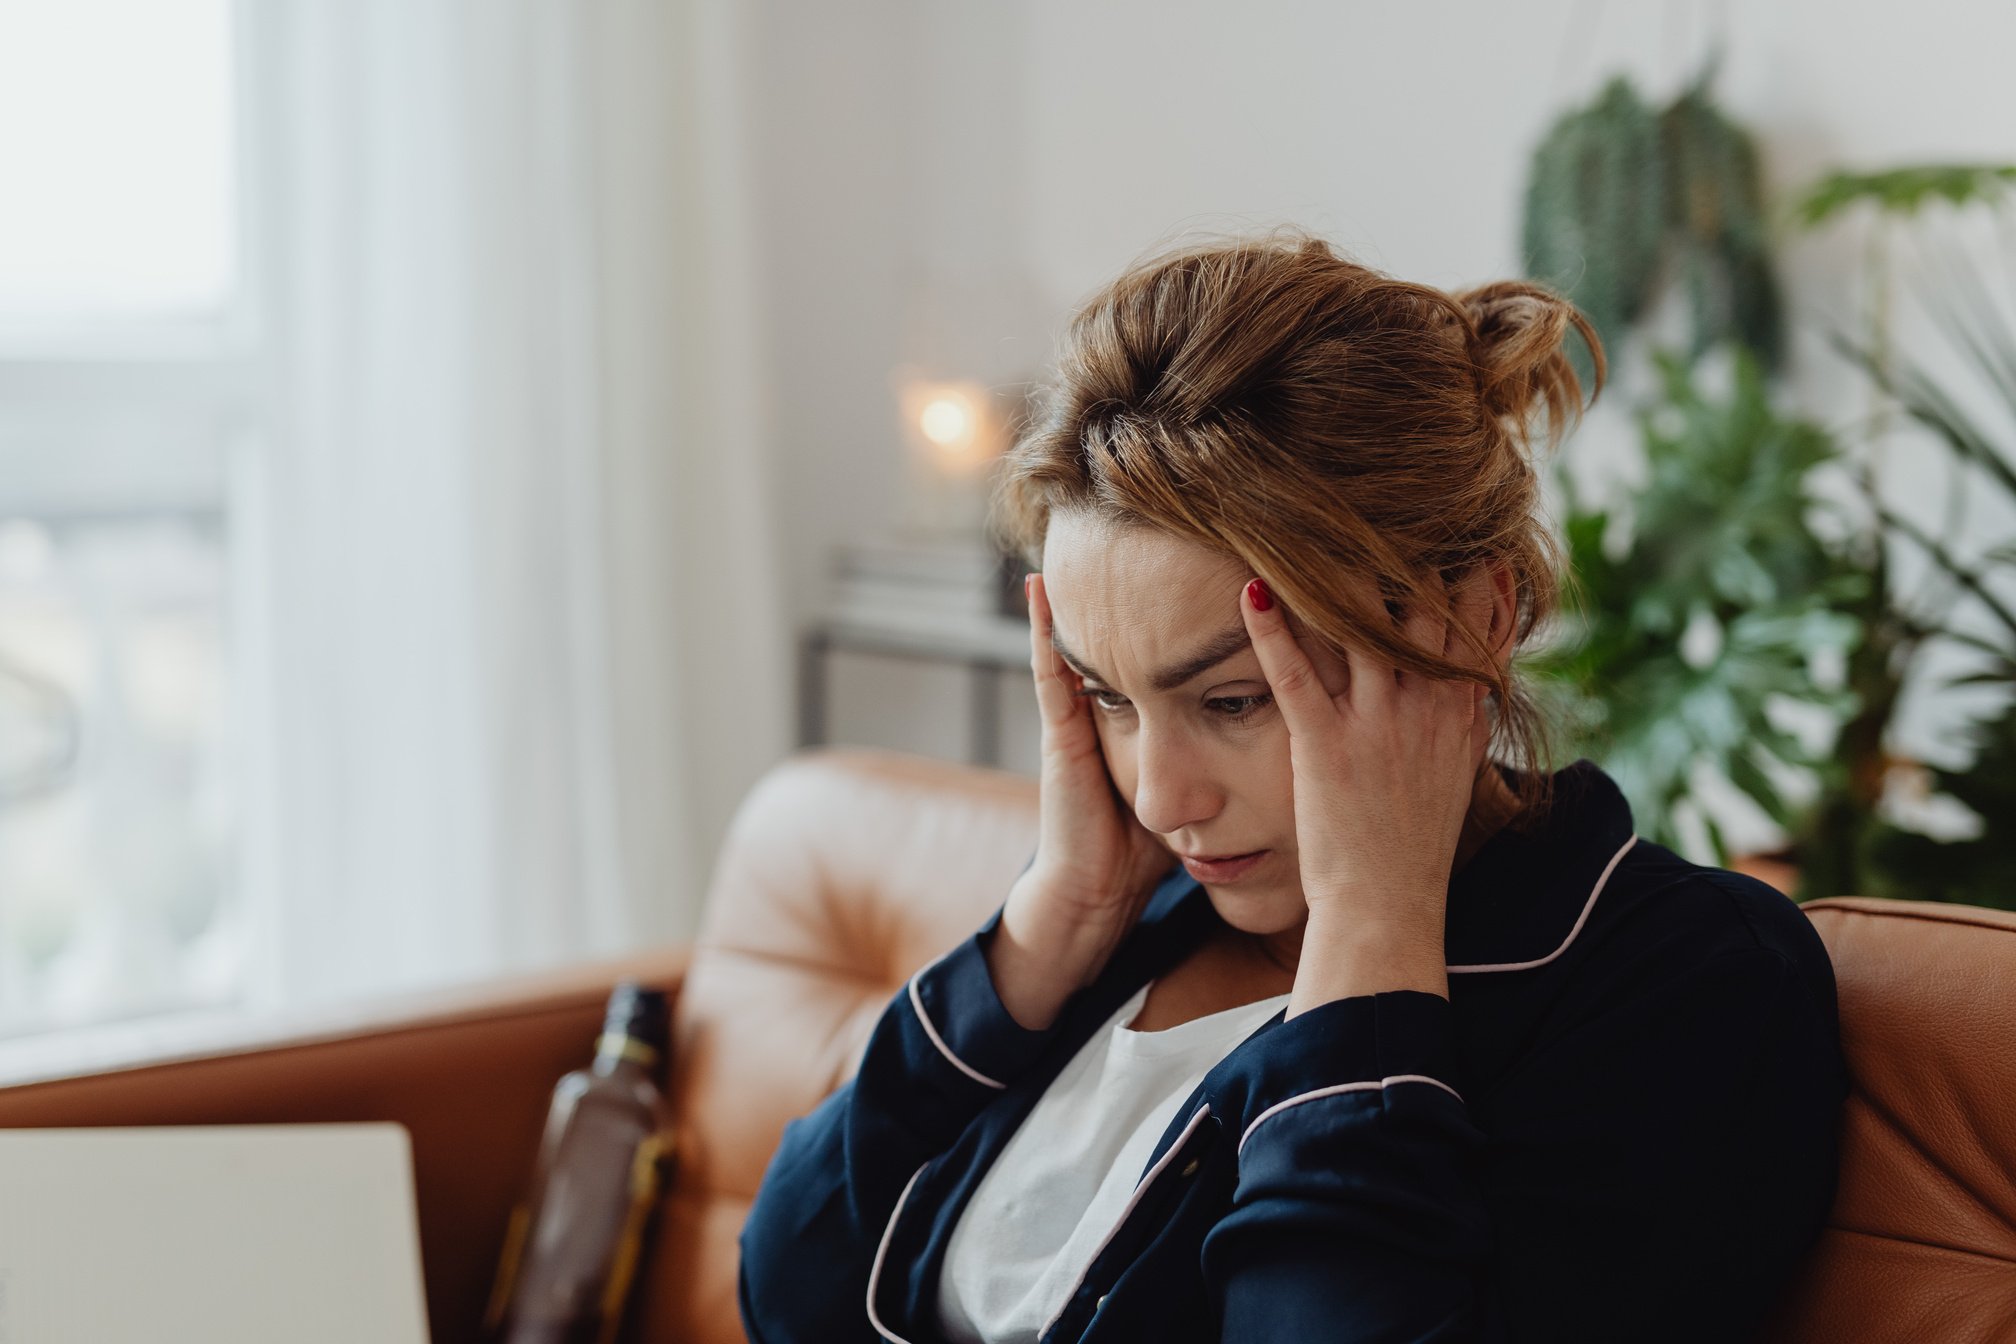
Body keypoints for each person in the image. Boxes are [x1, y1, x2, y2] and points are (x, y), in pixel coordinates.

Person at [737, 229, 1846, 1343]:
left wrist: (1375, 931)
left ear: (1478, 619)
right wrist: (1045, 929)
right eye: (1109, 698)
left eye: (1231, 701)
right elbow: (785, 1288)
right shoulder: (1135, 920)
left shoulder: (1682, 984)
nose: (1163, 798)